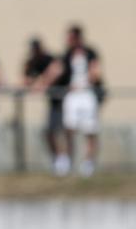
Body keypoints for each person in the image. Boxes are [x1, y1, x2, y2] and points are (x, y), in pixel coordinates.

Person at [40, 25, 104, 177]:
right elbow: (54, 71)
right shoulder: (66, 55)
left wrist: (88, 80)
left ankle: (88, 162)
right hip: (72, 95)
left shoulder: (90, 53)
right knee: (69, 129)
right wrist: (43, 83)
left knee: (90, 130)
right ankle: (67, 161)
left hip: (87, 94)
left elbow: (97, 72)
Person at [23, 36, 64, 165]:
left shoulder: (50, 59)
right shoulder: (32, 62)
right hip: (53, 102)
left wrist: (42, 83)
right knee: (49, 132)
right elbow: (26, 80)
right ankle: (58, 159)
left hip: (63, 100)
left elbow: (56, 71)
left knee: (63, 132)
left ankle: (65, 159)